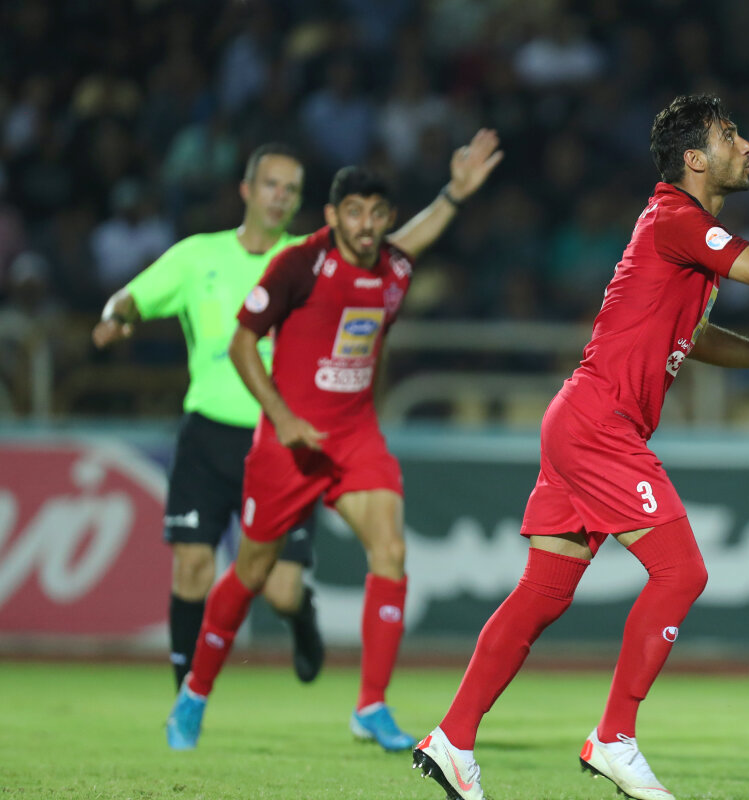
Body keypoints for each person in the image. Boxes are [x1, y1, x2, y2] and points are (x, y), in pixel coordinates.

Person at [413, 95, 749, 800]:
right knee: (682, 574)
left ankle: (452, 738)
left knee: (543, 592)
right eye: (730, 136)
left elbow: (698, 337)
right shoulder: (679, 219)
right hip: (601, 425)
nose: (747, 147)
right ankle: (614, 737)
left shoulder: (680, 231)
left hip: (579, 418)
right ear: (695, 159)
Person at [164, 129, 504, 752]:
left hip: (354, 437)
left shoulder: (393, 265)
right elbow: (241, 343)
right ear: (331, 215)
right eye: (353, 212)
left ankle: (370, 706)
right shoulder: (299, 264)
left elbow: (415, 240)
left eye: (376, 213)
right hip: (288, 445)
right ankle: (195, 694)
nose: (366, 225)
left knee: (391, 550)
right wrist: (281, 416)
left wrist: (454, 196)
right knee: (252, 571)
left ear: (387, 217)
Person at [92, 143, 325, 693]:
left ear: (298, 202)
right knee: (193, 566)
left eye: (291, 189)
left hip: (281, 437)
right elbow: (132, 296)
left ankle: (301, 615)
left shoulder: (310, 263)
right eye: (270, 185)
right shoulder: (198, 256)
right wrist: (116, 316)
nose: (280, 197)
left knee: (281, 590)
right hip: (208, 434)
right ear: (246, 190)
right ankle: (185, 695)